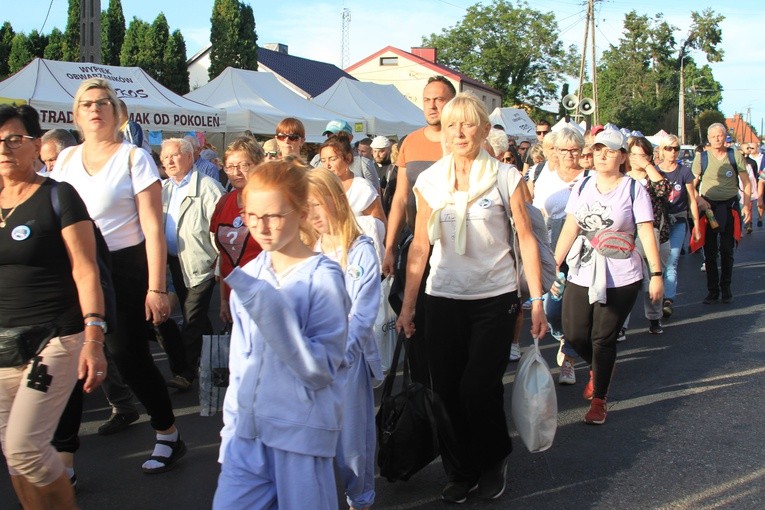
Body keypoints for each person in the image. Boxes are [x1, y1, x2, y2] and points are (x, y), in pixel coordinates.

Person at [397, 93, 547, 503]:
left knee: (477, 388)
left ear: (484, 130)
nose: (459, 133)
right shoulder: (429, 181)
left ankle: (492, 459)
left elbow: (526, 240)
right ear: (442, 132)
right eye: (451, 125)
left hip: (494, 298)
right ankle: (459, 470)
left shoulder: (505, 178)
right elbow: (420, 247)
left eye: (468, 124)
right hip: (442, 296)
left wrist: (536, 300)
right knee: (445, 390)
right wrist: (409, 306)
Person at [52, 78, 184, 473]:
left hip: (124, 267)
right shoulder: (65, 160)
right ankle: (64, 460)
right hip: (76, 267)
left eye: (103, 103)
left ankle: (168, 434)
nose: (95, 110)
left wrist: (157, 287)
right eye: (87, 104)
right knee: (69, 360)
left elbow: (153, 229)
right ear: (77, 115)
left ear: (116, 112)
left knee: (128, 356)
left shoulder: (133, 157)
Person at [213, 160, 350, 510]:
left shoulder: (323, 276)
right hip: (247, 435)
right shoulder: (251, 272)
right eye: (253, 216)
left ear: (301, 212)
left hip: (299, 436)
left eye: (274, 215)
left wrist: (273, 314)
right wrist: (231, 429)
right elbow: (240, 362)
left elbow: (321, 369)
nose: (262, 227)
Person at [0, 104, 106, 508]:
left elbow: (86, 270)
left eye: (14, 139)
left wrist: (94, 340)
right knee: (14, 455)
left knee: (27, 448)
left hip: (55, 338)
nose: (5, 149)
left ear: (35, 145)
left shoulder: (58, 196)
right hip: (2, 344)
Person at [554, 128, 663, 425]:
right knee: (575, 333)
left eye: (610, 150)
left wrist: (656, 273)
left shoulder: (633, 189)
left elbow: (644, 230)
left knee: (603, 338)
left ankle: (599, 399)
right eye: (598, 148)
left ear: (622, 157)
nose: (602, 154)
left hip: (621, 273)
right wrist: (554, 262)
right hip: (583, 269)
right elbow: (571, 226)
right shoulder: (583, 186)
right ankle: (600, 367)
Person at [305, 168, 382, 510]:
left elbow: (361, 315)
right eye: (305, 208)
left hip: (345, 363)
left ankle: (360, 499)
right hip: (308, 363)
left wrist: (335, 354)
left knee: (351, 442)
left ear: (336, 199)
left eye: (317, 205)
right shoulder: (306, 249)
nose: (313, 216)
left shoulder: (360, 250)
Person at [381, 75, 455, 384]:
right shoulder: (410, 142)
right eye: (427, 99)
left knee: (446, 324)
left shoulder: (465, 141)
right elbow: (399, 198)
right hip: (416, 243)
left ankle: (446, 387)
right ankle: (423, 391)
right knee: (412, 317)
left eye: (439, 99)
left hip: (454, 248)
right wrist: (389, 247)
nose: (433, 105)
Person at [160, 138, 224, 390]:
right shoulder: (164, 188)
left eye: (174, 156)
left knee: (192, 316)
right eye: (165, 158)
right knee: (197, 320)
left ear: (189, 157)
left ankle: (186, 373)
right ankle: (213, 358)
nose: (169, 161)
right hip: (175, 264)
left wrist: (219, 262)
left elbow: (218, 227)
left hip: (201, 263)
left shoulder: (208, 187)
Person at [533, 127, 588, 384]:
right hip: (551, 244)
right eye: (563, 149)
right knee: (552, 308)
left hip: (583, 249)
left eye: (574, 149)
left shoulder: (590, 176)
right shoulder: (546, 174)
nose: (568, 154)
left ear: (581, 150)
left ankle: (569, 360)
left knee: (577, 310)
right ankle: (562, 335)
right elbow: (537, 211)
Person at [692, 123, 751, 304]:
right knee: (709, 252)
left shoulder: (735, 155)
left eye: (720, 136)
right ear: (708, 139)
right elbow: (691, 187)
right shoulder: (702, 158)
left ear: (726, 137)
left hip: (729, 207)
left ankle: (726, 288)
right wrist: (699, 200)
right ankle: (712, 291)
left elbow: (746, 183)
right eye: (713, 137)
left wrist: (747, 205)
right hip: (708, 208)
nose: (717, 139)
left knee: (726, 250)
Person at [210, 136, 265, 324]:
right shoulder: (224, 202)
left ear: (258, 165)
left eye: (244, 165)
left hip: (264, 297)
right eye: (230, 166)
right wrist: (224, 301)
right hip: (233, 298)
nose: (237, 172)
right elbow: (224, 257)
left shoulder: (269, 202)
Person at [624, 136, 671, 335]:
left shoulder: (654, 177)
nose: (637, 159)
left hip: (655, 236)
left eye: (642, 155)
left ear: (650, 156)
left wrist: (648, 166)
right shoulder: (622, 178)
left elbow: (664, 190)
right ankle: (620, 326)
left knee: (654, 276)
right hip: (626, 237)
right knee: (623, 283)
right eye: (633, 154)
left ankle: (654, 318)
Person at [656, 135, 701, 318]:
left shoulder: (684, 172)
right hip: (658, 222)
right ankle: (655, 296)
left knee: (672, 259)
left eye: (675, 148)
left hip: (678, 221)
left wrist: (696, 225)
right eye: (668, 148)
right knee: (656, 260)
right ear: (661, 150)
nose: (672, 152)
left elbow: (691, 199)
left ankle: (668, 299)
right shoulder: (655, 171)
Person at [318, 137, 387, 228]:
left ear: (348, 158)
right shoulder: (320, 187)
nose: (327, 165)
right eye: (323, 160)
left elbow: (380, 225)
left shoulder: (362, 188)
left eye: (333, 159)